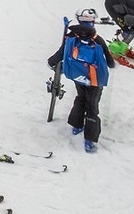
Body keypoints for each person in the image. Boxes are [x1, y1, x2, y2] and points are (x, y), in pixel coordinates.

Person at [48, 11, 113, 153]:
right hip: (95, 80)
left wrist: (51, 62)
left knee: (80, 98)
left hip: (78, 75)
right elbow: (109, 60)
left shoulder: (71, 37)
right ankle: (89, 140)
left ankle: (76, 125)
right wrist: (112, 63)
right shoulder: (98, 40)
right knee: (92, 106)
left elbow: (61, 52)